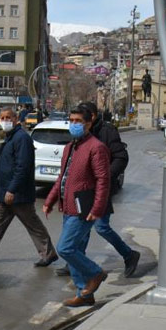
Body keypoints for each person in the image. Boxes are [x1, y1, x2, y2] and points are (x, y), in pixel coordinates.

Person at [0, 107, 58, 266]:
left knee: (32, 224)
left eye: (8, 117)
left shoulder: (21, 138)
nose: (5, 120)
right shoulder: (11, 137)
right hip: (5, 193)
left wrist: (12, 189)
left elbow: (23, 167)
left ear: (16, 119)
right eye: (2, 118)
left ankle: (48, 253)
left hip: (17, 194)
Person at [54, 102, 140, 278]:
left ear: (91, 117)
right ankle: (76, 264)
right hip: (81, 191)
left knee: (101, 227)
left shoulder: (107, 132)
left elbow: (121, 157)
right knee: (80, 230)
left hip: (100, 189)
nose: (76, 124)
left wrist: (104, 176)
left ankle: (129, 254)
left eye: (81, 119)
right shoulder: (80, 136)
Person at [43, 105, 111, 308]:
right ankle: (84, 294)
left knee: (65, 248)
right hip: (68, 206)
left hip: (84, 208)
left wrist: (97, 209)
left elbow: (103, 180)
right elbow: (62, 177)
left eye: (78, 121)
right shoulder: (70, 147)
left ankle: (95, 273)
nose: (74, 124)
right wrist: (50, 200)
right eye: (71, 120)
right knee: (76, 250)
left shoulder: (96, 147)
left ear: (89, 123)